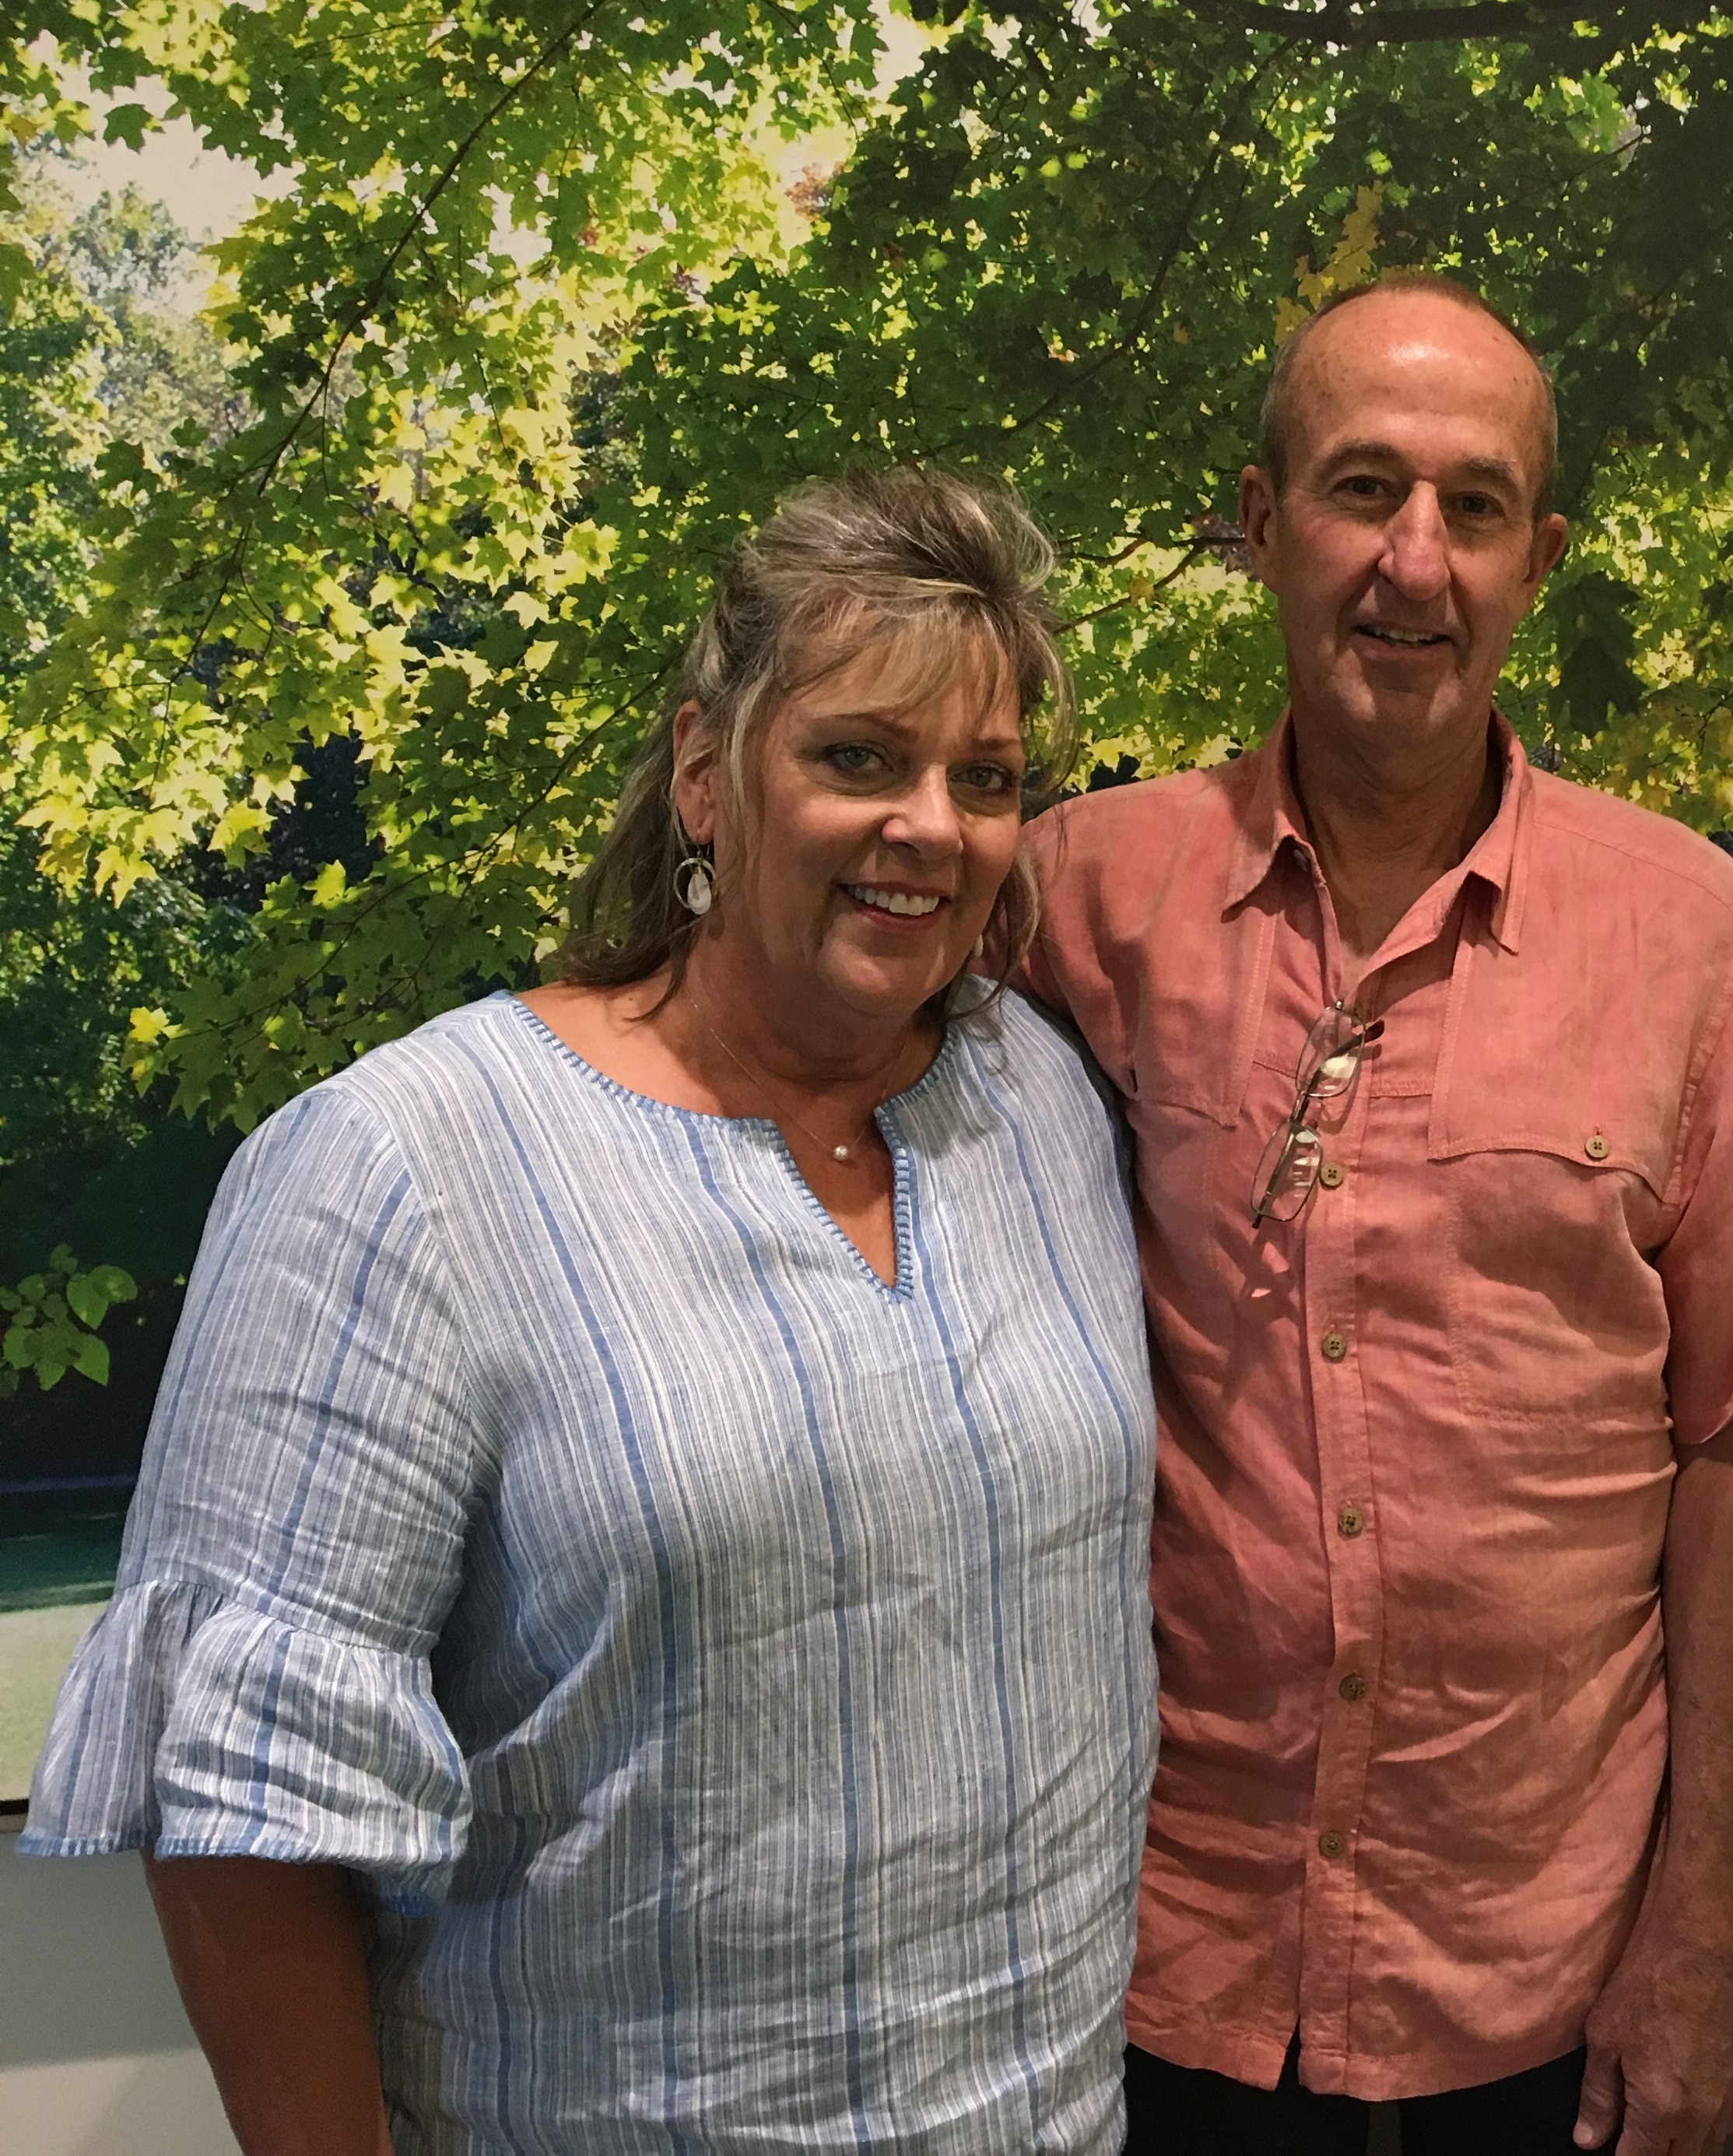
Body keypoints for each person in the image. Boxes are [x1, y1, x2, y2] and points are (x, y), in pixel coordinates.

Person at [18, 470, 1155, 2154]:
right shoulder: (404, 1167)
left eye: (984, 781)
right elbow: (246, 1826)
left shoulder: (1032, 1095)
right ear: (707, 773)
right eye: (857, 757)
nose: (935, 825)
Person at [1020, 273, 1733, 2156]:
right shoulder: (1074, 906)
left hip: (1548, 1968)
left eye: (1472, 509)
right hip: (1154, 1954)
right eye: (1363, 489)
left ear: (1541, 555)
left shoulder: (1694, 938)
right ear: (1258, 519)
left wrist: (1702, 1937)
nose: (1414, 561)